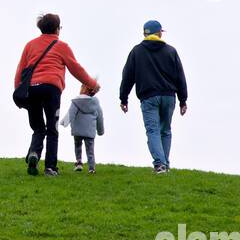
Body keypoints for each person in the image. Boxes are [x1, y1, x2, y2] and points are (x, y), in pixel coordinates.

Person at [14, 13, 99, 177]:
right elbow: (76, 69)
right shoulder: (62, 47)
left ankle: (34, 153)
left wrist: (18, 90)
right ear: (56, 29)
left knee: (38, 127)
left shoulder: (30, 45)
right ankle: (50, 168)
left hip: (32, 89)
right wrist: (92, 84)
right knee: (52, 129)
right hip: (51, 89)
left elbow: (20, 70)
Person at [118, 19, 188, 174]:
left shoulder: (137, 51)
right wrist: (183, 100)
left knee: (153, 130)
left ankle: (160, 164)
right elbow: (180, 77)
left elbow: (127, 76)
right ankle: (165, 164)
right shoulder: (171, 51)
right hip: (169, 97)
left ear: (145, 33)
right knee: (166, 130)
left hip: (149, 97)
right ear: (159, 33)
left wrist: (124, 98)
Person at [60, 83, 104, 173]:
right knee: (90, 150)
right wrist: (100, 131)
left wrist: (64, 123)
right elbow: (100, 117)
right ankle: (91, 168)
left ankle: (79, 163)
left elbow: (71, 113)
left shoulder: (76, 101)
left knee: (77, 146)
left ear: (83, 88)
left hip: (77, 130)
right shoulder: (96, 103)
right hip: (90, 131)